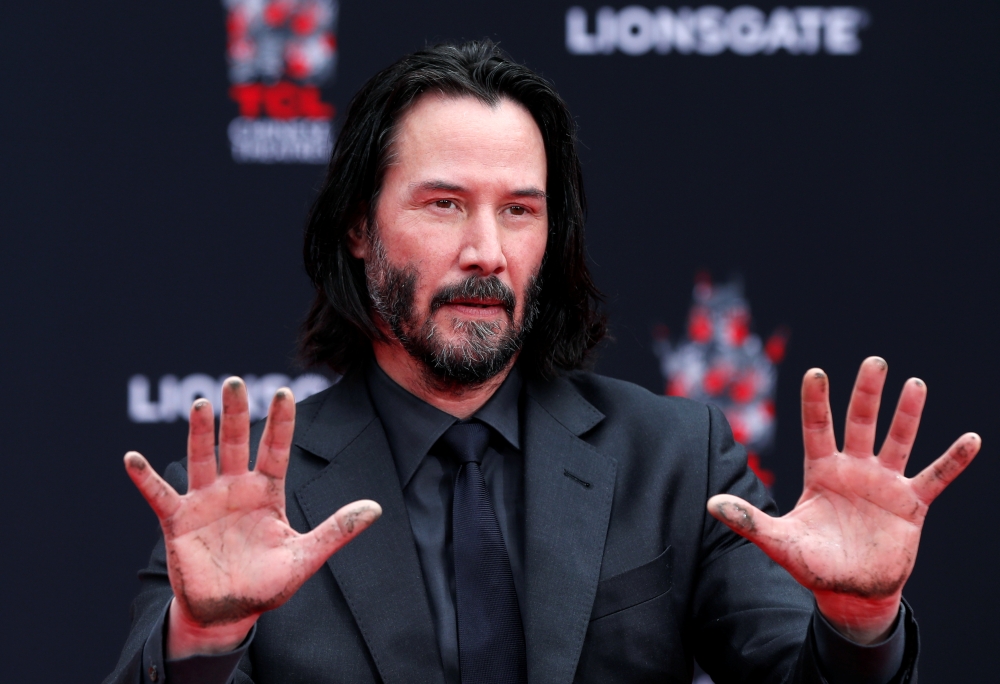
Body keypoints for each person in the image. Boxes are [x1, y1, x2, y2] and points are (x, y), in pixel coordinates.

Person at [105, 41, 980, 684]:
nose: (487, 250)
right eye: (445, 204)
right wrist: (205, 643)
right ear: (359, 229)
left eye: (519, 211)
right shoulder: (244, 495)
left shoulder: (675, 458)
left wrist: (860, 622)